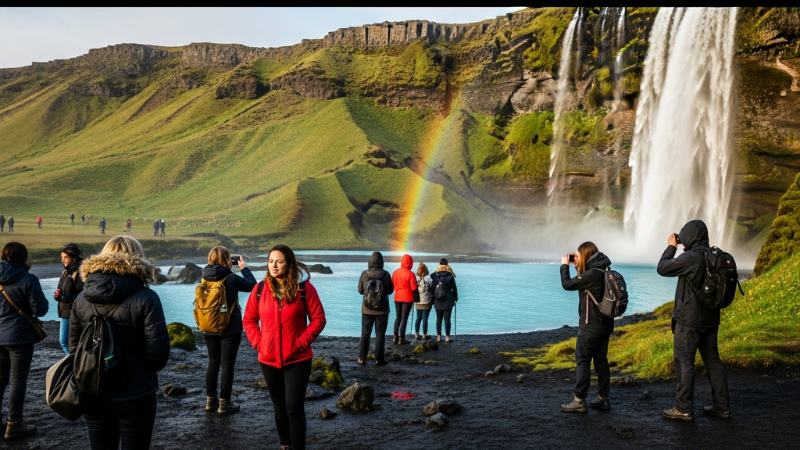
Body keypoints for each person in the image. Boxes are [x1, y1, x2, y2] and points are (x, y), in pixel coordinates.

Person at [69, 236, 170, 449]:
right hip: (136, 393)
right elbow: (158, 353)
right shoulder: (147, 297)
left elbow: (74, 348)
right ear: (138, 259)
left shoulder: (81, 298)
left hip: (92, 389)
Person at [243, 245, 326, 450]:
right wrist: (258, 342)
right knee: (279, 407)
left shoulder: (304, 289)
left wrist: (300, 342)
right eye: (271, 261)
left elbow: (318, 319)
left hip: (297, 358)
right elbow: (249, 320)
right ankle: (285, 445)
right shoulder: (260, 289)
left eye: (279, 261)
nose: (274, 265)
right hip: (268, 358)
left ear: (289, 263)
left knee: (294, 408)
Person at [657, 220, 730, 422]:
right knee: (713, 361)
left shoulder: (691, 258)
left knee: (685, 362)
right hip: (711, 319)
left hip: (689, 321)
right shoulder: (713, 256)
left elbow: (662, 268)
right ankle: (721, 407)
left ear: (689, 236)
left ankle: (683, 408)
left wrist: (671, 247)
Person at [0, 242, 48, 439]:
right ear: (24, 257)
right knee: (17, 380)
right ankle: (15, 423)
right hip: (19, 336)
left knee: (0, 378)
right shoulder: (28, 279)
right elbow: (41, 310)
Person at [559, 242, 614, 413]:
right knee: (601, 361)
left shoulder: (591, 274)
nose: (576, 257)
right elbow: (586, 284)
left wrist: (564, 266)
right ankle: (603, 398)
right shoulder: (604, 270)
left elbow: (567, 284)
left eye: (578, 254)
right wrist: (578, 267)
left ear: (586, 254)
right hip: (605, 324)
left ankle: (579, 400)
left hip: (590, 326)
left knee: (582, 361)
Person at [201, 247, 257, 414]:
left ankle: (210, 401)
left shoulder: (204, 277)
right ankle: (224, 403)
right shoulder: (231, 278)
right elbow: (253, 286)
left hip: (208, 326)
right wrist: (244, 268)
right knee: (227, 365)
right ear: (227, 260)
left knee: (212, 363)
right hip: (230, 327)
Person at [357, 251, 394, 365]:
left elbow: (360, 290)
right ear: (382, 262)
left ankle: (362, 358)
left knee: (365, 333)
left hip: (367, 309)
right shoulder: (386, 274)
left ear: (370, 261)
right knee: (380, 334)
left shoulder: (365, 274)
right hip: (382, 310)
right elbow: (390, 290)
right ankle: (379, 359)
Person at [55, 244, 84, 355]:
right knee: (65, 342)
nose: (62, 260)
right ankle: (74, 364)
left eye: (65, 258)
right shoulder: (65, 272)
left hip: (74, 312)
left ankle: (73, 365)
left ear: (74, 258)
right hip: (65, 312)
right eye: (61, 258)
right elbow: (61, 290)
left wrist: (64, 297)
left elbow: (83, 295)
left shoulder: (79, 273)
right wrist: (57, 296)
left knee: (67, 342)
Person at [391, 254, 417, 345]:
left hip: (397, 297)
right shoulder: (411, 274)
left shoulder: (395, 272)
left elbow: (392, 285)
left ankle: (395, 337)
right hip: (407, 298)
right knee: (404, 318)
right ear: (410, 263)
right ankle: (402, 338)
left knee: (398, 317)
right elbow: (413, 288)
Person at [430, 258, 458, 343]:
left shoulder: (434, 275)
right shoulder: (450, 276)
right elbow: (454, 288)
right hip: (448, 301)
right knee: (447, 319)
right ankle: (447, 337)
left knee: (438, 319)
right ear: (447, 265)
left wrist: (433, 298)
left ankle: (438, 336)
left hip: (437, 300)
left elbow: (431, 288)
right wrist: (455, 298)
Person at [414, 262, 433, 340]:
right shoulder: (428, 278)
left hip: (418, 301)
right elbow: (431, 286)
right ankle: (424, 334)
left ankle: (416, 333)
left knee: (418, 317)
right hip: (426, 301)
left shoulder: (416, 278)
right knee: (425, 318)